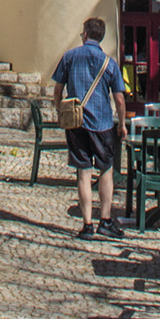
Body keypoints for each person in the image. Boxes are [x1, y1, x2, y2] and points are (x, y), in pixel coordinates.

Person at [52, 16, 128, 238]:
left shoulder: (70, 57)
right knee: (105, 170)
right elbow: (120, 99)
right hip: (102, 123)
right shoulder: (109, 62)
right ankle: (105, 219)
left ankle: (87, 225)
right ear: (101, 36)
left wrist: (60, 112)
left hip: (76, 123)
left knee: (83, 173)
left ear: (85, 34)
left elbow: (57, 90)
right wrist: (121, 125)